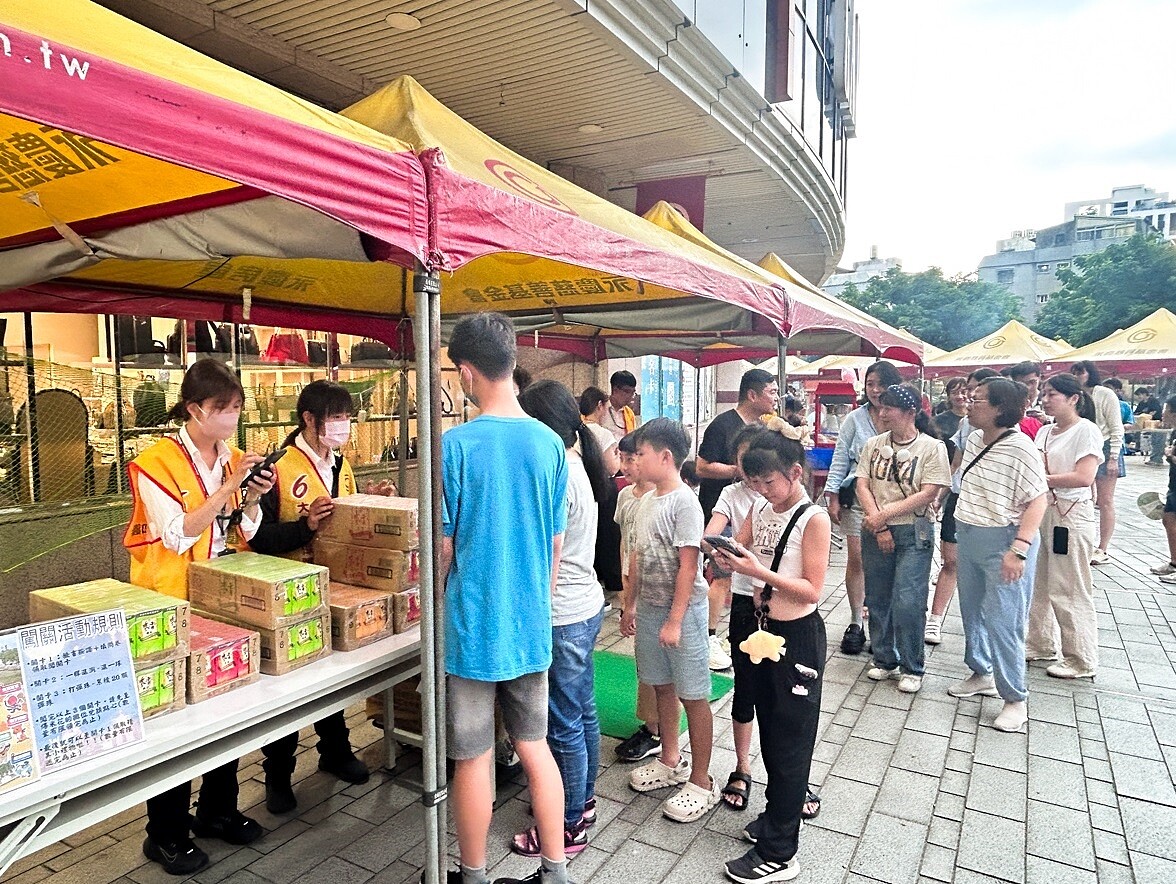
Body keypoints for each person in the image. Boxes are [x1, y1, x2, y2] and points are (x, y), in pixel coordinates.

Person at [123, 359, 276, 875]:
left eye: (237, 408)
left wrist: (252, 497)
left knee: (224, 706)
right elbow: (178, 532)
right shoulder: (155, 462)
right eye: (222, 409)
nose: (232, 419)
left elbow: (244, 529)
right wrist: (230, 486)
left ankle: (217, 810)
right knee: (177, 723)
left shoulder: (231, 458)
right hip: (167, 603)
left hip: (220, 595)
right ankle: (164, 834)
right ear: (194, 410)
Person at [439, 313, 570, 884]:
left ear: (467, 372)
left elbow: (444, 548)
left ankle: (472, 874)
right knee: (535, 745)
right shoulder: (549, 443)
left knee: (472, 755)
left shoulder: (456, 444)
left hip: (472, 626)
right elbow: (555, 545)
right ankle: (556, 868)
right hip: (529, 623)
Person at [709, 422, 831, 883]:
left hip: (796, 636)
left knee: (790, 740)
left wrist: (759, 571)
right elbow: (743, 548)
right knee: (768, 727)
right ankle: (776, 819)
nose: (761, 491)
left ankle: (781, 850)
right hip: (760, 629)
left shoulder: (813, 518)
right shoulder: (760, 506)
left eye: (769, 482)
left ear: (795, 472)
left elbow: (812, 589)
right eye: (753, 483)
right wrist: (726, 558)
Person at [246, 380, 370, 814]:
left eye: (346, 418)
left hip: (331, 586)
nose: (342, 427)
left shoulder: (341, 463)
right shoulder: (277, 469)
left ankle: (335, 751)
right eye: (334, 419)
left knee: (330, 679)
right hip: (285, 594)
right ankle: (277, 776)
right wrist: (307, 527)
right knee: (289, 690)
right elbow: (256, 538)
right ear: (309, 420)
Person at [512, 380, 611, 860]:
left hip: (563, 612)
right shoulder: (577, 464)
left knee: (561, 722)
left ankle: (568, 825)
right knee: (582, 710)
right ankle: (582, 800)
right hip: (585, 604)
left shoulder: (557, 473)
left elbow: (539, 549)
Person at [621, 418, 718, 823]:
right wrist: (630, 605)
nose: (634, 460)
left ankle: (701, 780)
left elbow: (687, 567)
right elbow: (640, 557)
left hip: (685, 613)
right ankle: (670, 758)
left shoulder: (685, 503)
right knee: (660, 684)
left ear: (665, 457)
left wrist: (675, 620)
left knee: (693, 694)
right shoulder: (644, 501)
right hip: (651, 609)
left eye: (640, 453)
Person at [947, 378, 1047, 733]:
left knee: (1005, 621)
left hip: (1005, 540)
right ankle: (981, 672)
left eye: (978, 399)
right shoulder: (973, 437)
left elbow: (1039, 499)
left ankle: (1015, 698)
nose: (969, 403)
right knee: (972, 611)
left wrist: (1018, 549)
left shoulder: (1022, 448)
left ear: (1001, 408)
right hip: (970, 533)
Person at [856, 384, 951, 693]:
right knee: (878, 595)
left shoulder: (932, 447)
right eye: (880, 407)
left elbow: (929, 492)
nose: (881, 413)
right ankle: (884, 658)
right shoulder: (873, 444)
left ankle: (913, 664)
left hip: (914, 529)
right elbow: (862, 484)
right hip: (874, 527)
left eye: (889, 408)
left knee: (908, 598)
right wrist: (878, 523)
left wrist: (886, 515)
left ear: (910, 413)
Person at [696, 369, 780, 669]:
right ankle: (709, 637)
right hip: (722, 509)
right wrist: (738, 473)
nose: (776, 397)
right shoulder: (724, 424)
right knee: (721, 575)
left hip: (764, 583)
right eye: (771, 391)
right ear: (752, 394)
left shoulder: (765, 429)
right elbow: (701, 466)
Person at [703, 424, 767, 812]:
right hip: (744, 599)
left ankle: (790, 774)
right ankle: (742, 766)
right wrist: (714, 547)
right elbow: (714, 530)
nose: (752, 473)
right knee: (745, 688)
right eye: (745, 462)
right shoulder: (732, 493)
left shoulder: (795, 502)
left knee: (783, 696)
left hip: (780, 604)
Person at [1025, 373, 1104, 679]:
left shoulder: (1086, 431)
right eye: (1043, 393)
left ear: (1074, 398)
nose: (1045, 399)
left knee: (1069, 585)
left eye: (1052, 394)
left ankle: (1081, 656)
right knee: (1040, 581)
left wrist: (1042, 480)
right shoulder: (1044, 431)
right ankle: (1040, 642)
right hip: (1044, 510)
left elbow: (1084, 477)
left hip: (1071, 513)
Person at [824, 360, 903, 655]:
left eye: (881, 384)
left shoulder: (903, 416)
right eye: (870, 384)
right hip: (857, 496)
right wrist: (831, 495)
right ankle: (856, 621)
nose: (875, 390)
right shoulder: (854, 420)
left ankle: (882, 624)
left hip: (895, 501)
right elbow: (840, 458)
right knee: (857, 558)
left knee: (888, 561)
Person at [926, 369, 999, 645]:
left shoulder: (1011, 434)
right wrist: (938, 496)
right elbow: (954, 465)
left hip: (989, 505)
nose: (970, 395)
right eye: (969, 389)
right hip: (960, 500)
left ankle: (984, 631)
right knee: (951, 561)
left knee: (984, 569)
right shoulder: (965, 426)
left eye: (976, 390)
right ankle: (935, 620)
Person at [612, 433, 664, 763]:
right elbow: (624, 545)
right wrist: (624, 595)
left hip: (656, 590)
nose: (626, 465)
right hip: (632, 585)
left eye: (633, 458)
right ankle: (651, 726)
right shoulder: (625, 498)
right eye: (623, 458)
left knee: (657, 664)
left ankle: (658, 731)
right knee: (643, 660)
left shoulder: (663, 499)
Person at [1070, 360, 1123, 565]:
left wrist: (1113, 458)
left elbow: (1116, 427)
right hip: (1083, 446)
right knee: (1087, 498)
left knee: (1105, 500)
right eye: (1073, 373)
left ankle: (1103, 548)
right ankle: (1087, 543)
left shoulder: (1104, 393)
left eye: (1080, 373)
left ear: (1089, 373)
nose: (1077, 377)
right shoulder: (1076, 396)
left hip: (1106, 445)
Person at [579, 385, 623, 600]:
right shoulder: (602, 433)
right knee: (608, 536)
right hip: (603, 489)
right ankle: (613, 581)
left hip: (582, 488)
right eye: (606, 407)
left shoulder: (574, 430)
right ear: (599, 406)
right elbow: (613, 467)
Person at [1154, 400, 1176, 584]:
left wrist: (1171, 455)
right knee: (1168, 519)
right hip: (1174, 484)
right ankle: (1174, 563)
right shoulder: (1174, 431)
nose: (1163, 413)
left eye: (1166, 409)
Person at [1004, 361, 1044, 438]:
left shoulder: (1049, 401)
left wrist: (1047, 421)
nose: (1028, 387)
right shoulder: (1008, 404)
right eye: (1022, 384)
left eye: (1032, 382)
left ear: (1040, 378)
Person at [603, 370, 639, 441]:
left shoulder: (629, 413)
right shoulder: (600, 409)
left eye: (633, 392)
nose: (631, 396)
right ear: (615, 390)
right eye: (627, 391)